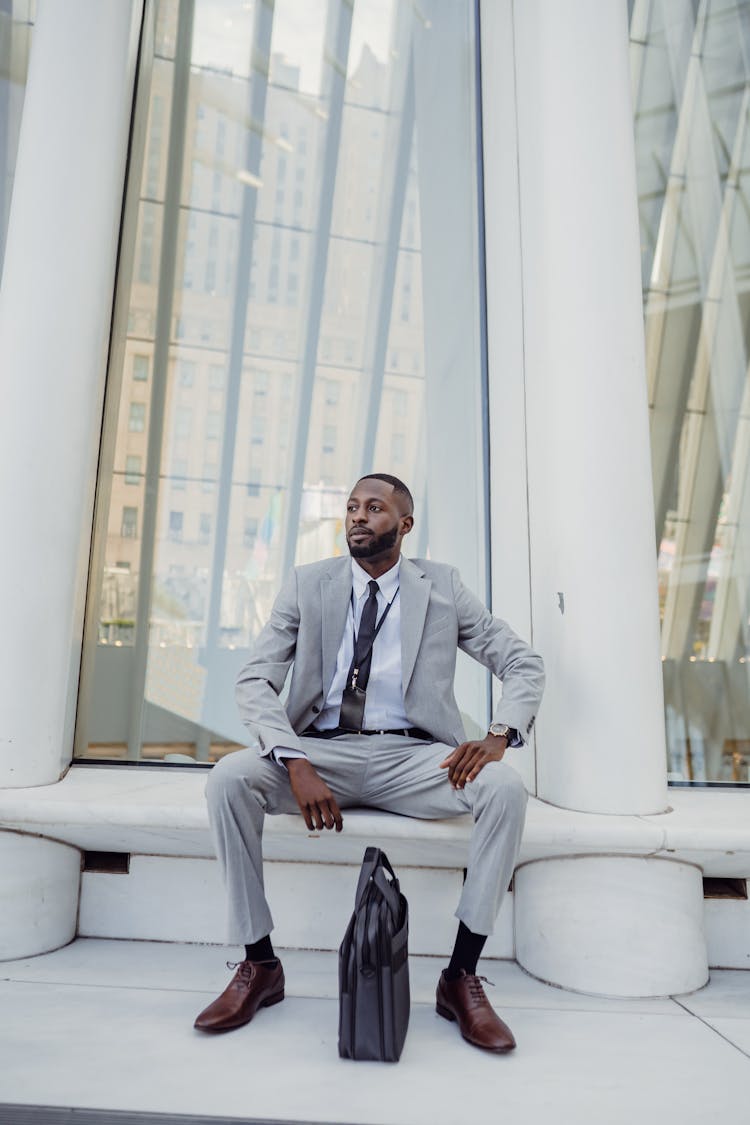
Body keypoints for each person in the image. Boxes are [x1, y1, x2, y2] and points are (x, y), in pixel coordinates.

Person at [195, 473, 544, 1052]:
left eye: (374, 508)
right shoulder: (308, 585)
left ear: (404, 526)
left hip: (414, 757)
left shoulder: (442, 587)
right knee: (229, 778)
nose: (358, 516)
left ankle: (460, 977)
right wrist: (296, 759)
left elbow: (521, 662)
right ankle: (260, 964)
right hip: (319, 754)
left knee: (504, 789)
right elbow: (255, 679)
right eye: (352, 507)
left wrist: (500, 735)